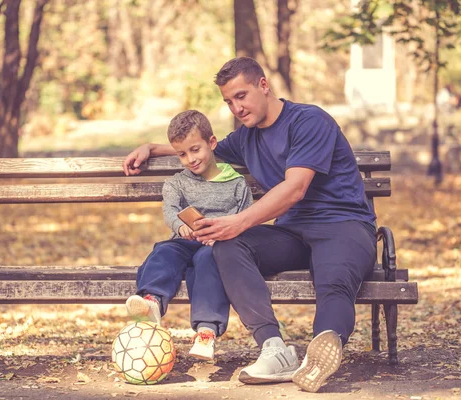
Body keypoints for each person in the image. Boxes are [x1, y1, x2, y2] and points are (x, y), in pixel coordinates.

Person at [123, 57, 377, 392]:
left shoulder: (309, 120)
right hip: (292, 232)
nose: (236, 107)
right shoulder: (246, 138)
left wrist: (240, 220)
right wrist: (149, 148)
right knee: (228, 245)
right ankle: (274, 348)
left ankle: (322, 349)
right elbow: (199, 147)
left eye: (241, 96)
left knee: (332, 281)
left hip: (343, 225)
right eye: (229, 101)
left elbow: (295, 187)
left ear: (263, 85)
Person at [125, 109, 253, 362]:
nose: (190, 159)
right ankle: (150, 302)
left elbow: (247, 219)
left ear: (212, 143)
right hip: (184, 241)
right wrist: (180, 226)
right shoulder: (177, 183)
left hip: (218, 246)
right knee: (163, 251)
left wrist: (224, 236)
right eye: (182, 154)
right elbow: (170, 210)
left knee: (208, 262)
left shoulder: (237, 184)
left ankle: (206, 331)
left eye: (195, 150)